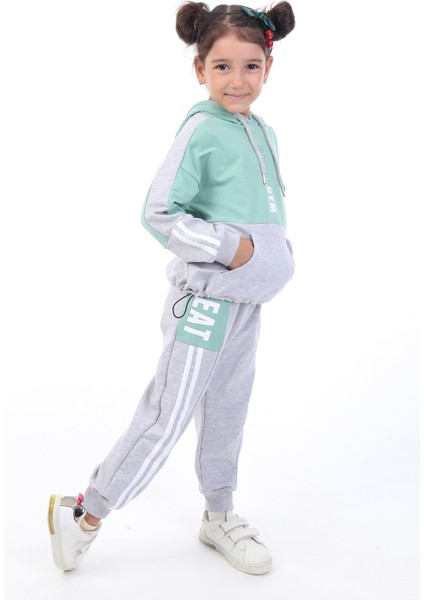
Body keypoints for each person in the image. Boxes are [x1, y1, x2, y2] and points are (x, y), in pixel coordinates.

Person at [48, 1, 295, 576]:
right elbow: (159, 213)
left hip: (245, 304)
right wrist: (232, 250)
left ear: (269, 66)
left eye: (252, 66)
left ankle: (219, 514)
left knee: (228, 409)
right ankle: (85, 513)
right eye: (223, 67)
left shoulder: (263, 131)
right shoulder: (201, 130)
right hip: (207, 304)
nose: (238, 80)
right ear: (200, 69)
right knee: (169, 413)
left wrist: (273, 258)